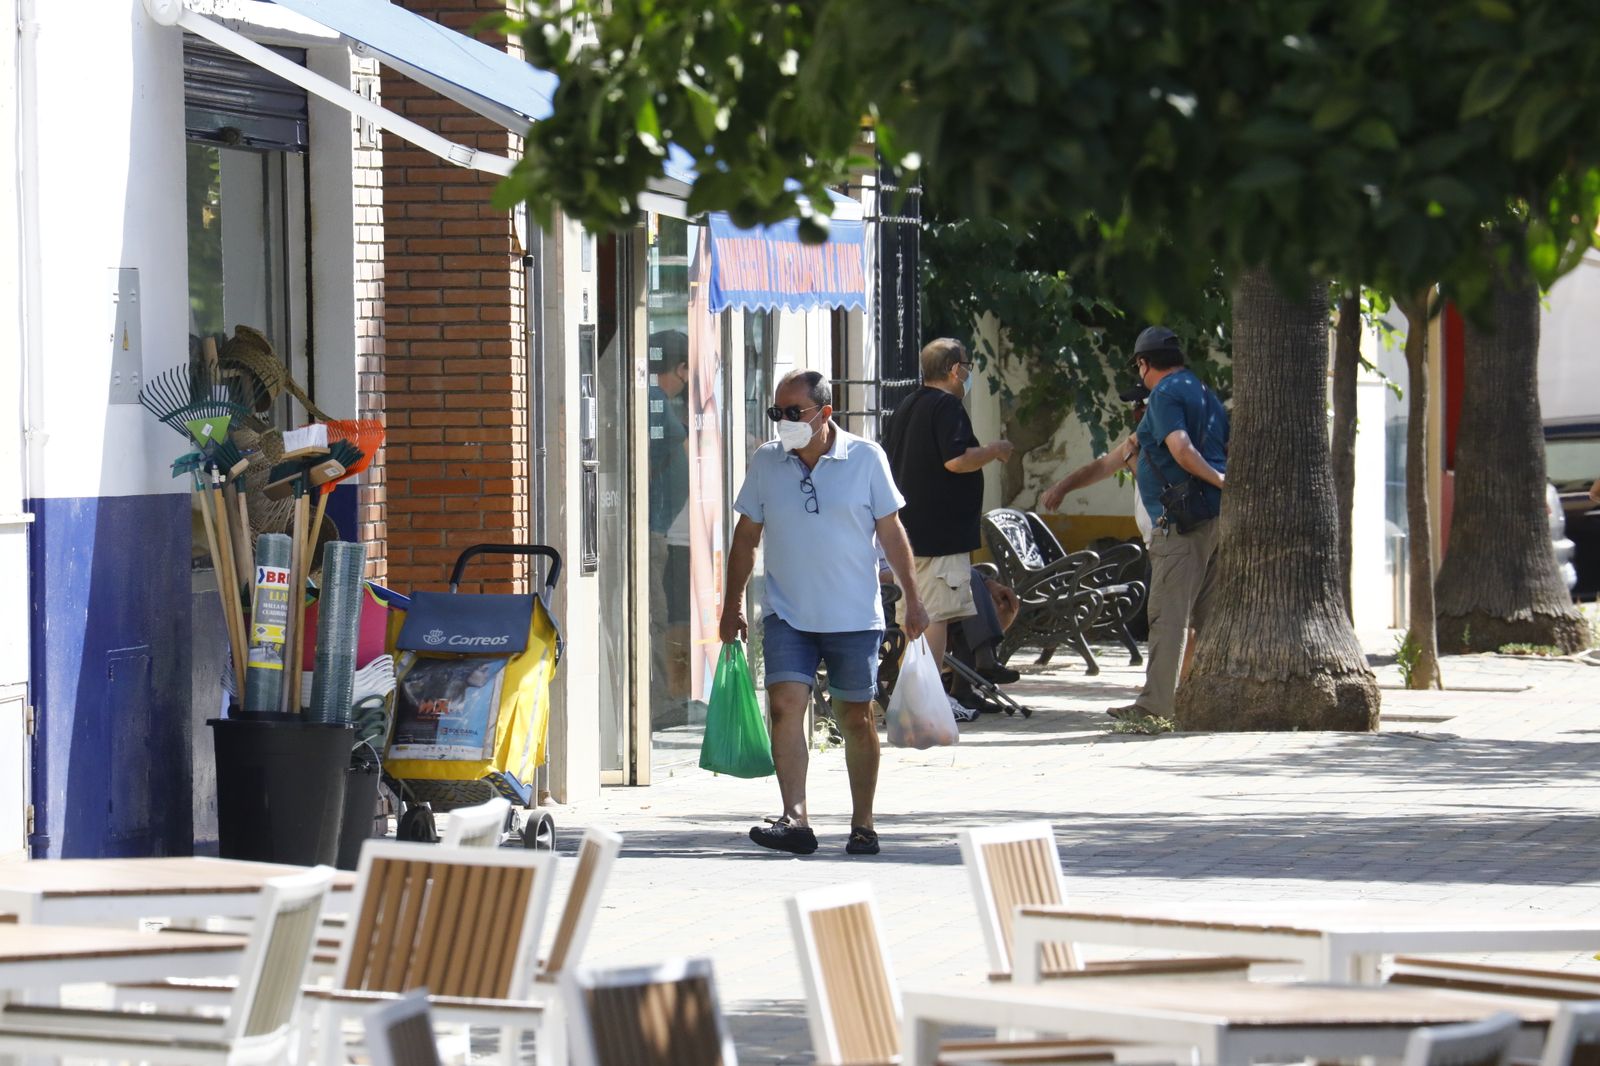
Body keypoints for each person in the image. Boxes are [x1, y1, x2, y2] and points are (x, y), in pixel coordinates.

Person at [720, 370, 928, 857]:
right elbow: (745, 539)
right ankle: (795, 818)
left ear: (825, 413)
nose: (784, 423)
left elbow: (893, 534)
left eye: (795, 413)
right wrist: (730, 604)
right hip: (787, 614)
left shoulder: (865, 458)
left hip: (853, 616)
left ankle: (863, 823)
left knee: (854, 717)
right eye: (777, 414)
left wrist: (913, 598)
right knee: (785, 705)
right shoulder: (766, 463)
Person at [882, 338, 1015, 694]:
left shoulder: (906, 406)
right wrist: (994, 451)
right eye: (966, 367)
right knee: (935, 616)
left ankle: (913, 696)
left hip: (906, 535)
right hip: (939, 536)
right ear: (956, 370)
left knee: (914, 617)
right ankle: (928, 699)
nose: (968, 374)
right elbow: (956, 459)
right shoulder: (947, 407)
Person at [1111, 326, 1228, 721]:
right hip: (1213, 519)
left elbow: (1180, 448)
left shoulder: (1163, 394)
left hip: (1180, 524)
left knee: (1168, 618)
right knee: (1206, 616)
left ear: (1144, 364)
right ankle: (1199, 703)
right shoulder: (1203, 392)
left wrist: (1218, 478)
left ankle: (1154, 708)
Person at [647, 331, 692, 711]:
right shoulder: (655, 402)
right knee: (655, 617)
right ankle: (658, 704)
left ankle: (661, 699)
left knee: (657, 616)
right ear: (680, 368)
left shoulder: (654, 400)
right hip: (650, 531)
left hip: (656, 528)